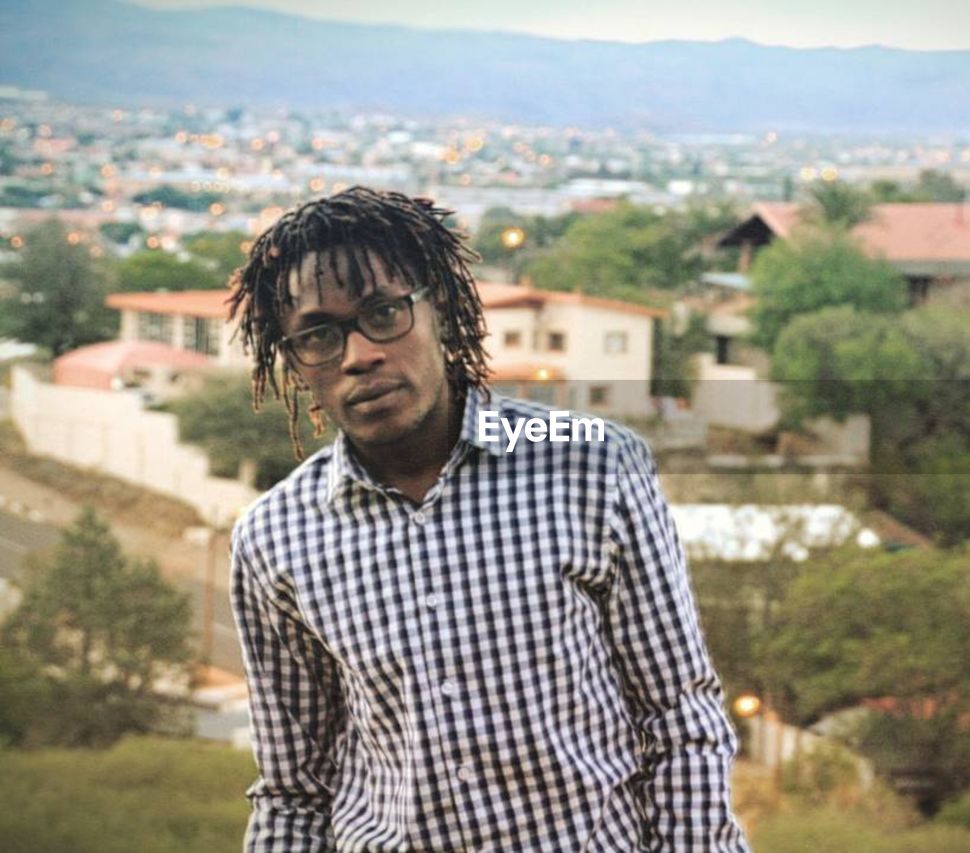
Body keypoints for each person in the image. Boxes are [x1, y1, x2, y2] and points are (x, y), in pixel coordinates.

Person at [227, 186, 747, 851]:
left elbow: (678, 716)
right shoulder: (275, 538)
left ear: (438, 306)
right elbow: (295, 788)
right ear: (297, 365)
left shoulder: (592, 468)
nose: (358, 355)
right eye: (319, 336)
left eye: (383, 312)